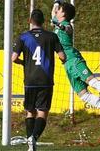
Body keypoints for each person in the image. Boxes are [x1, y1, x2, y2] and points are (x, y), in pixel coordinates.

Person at [51, 0, 100, 126]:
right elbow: (53, 14)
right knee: (83, 95)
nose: (56, 11)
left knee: (92, 81)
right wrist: (57, 3)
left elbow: (67, 29)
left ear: (63, 14)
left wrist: (59, 24)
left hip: (73, 60)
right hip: (67, 65)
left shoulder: (66, 25)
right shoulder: (57, 21)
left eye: (59, 10)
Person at [12, 9, 65, 151]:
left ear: (30, 21)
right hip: (45, 79)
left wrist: (24, 63)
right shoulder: (52, 37)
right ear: (43, 22)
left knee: (30, 111)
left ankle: (30, 142)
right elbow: (62, 56)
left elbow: (14, 58)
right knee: (42, 111)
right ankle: (33, 139)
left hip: (29, 79)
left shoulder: (23, 37)